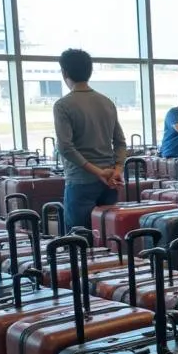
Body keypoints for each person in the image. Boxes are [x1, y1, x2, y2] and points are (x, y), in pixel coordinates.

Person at [53, 49, 127, 234]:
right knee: (108, 238)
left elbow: (65, 147)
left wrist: (97, 172)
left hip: (81, 182)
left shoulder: (63, 105)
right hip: (109, 183)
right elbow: (120, 142)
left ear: (64, 73)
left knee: (79, 241)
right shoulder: (106, 102)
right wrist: (116, 170)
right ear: (90, 71)